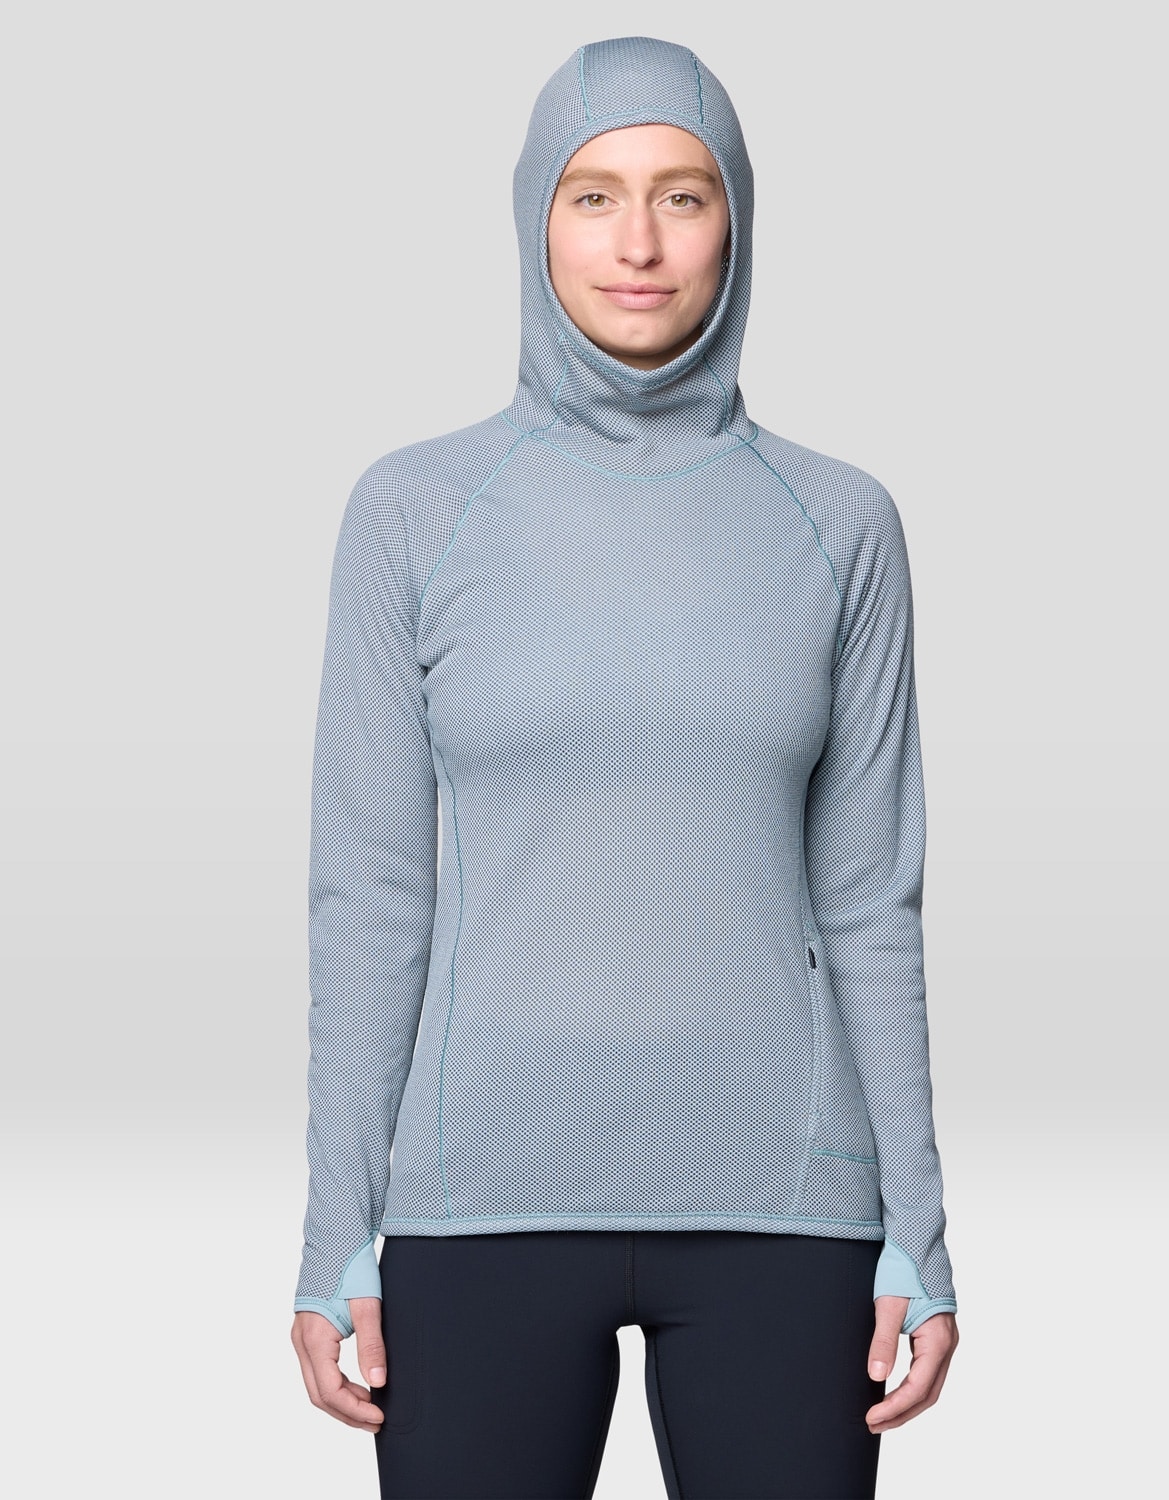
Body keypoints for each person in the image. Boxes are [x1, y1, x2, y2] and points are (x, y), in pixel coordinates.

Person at [290, 35, 959, 1500]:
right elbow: (370, 896)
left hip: (790, 1212)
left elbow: (871, 901)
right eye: (593, 196)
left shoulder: (838, 522)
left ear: (738, 223)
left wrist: (918, 1221)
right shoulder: (415, 510)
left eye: (682, 195)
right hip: (478, 1207)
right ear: (534, 221)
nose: (639, 244)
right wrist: (337, 1226)